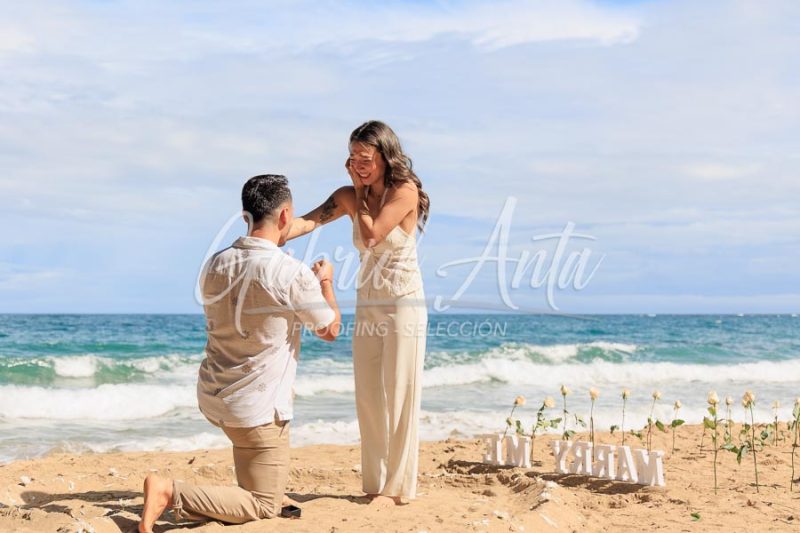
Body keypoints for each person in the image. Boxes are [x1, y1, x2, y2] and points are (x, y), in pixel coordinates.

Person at [138, 174, 341, 533]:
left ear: (246, 215)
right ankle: (169, 492)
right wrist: (325, 280)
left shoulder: (214, 263)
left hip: (215, 399)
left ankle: (247, 491)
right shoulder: (290, 272)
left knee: (256, 476)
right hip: (257, 414)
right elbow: (330, 330)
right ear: (284, 217)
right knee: (264, 506)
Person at [287, 120, 429, 506]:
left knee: (400, 391)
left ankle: (398, 489)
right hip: (368, 300)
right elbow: (309, 221)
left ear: (385, 156)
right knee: (368, 393)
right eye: (352, 158)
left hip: (404, 301)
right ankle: (375, 483)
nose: (357, 165)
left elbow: (371, 236)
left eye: (365, 158)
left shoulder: (405, 191)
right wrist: (272, 232)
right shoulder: (348, 195)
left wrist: (362, 195)